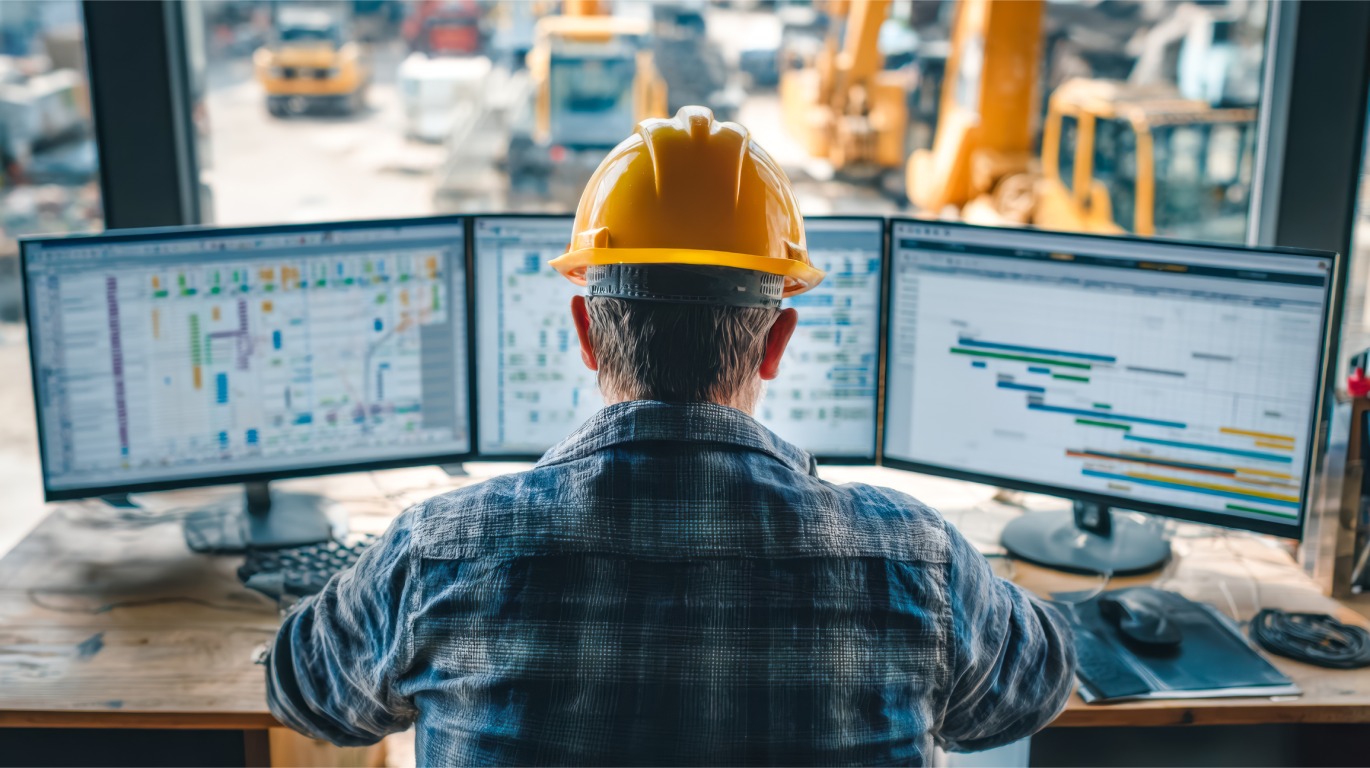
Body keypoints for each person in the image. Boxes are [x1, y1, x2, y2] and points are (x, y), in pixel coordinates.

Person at [266, 106, 1076, 766]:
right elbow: (1031, 691)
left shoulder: (442, 549)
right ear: (776, 341)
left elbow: (302, 689)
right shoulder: (914, 557)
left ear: (586, 331)